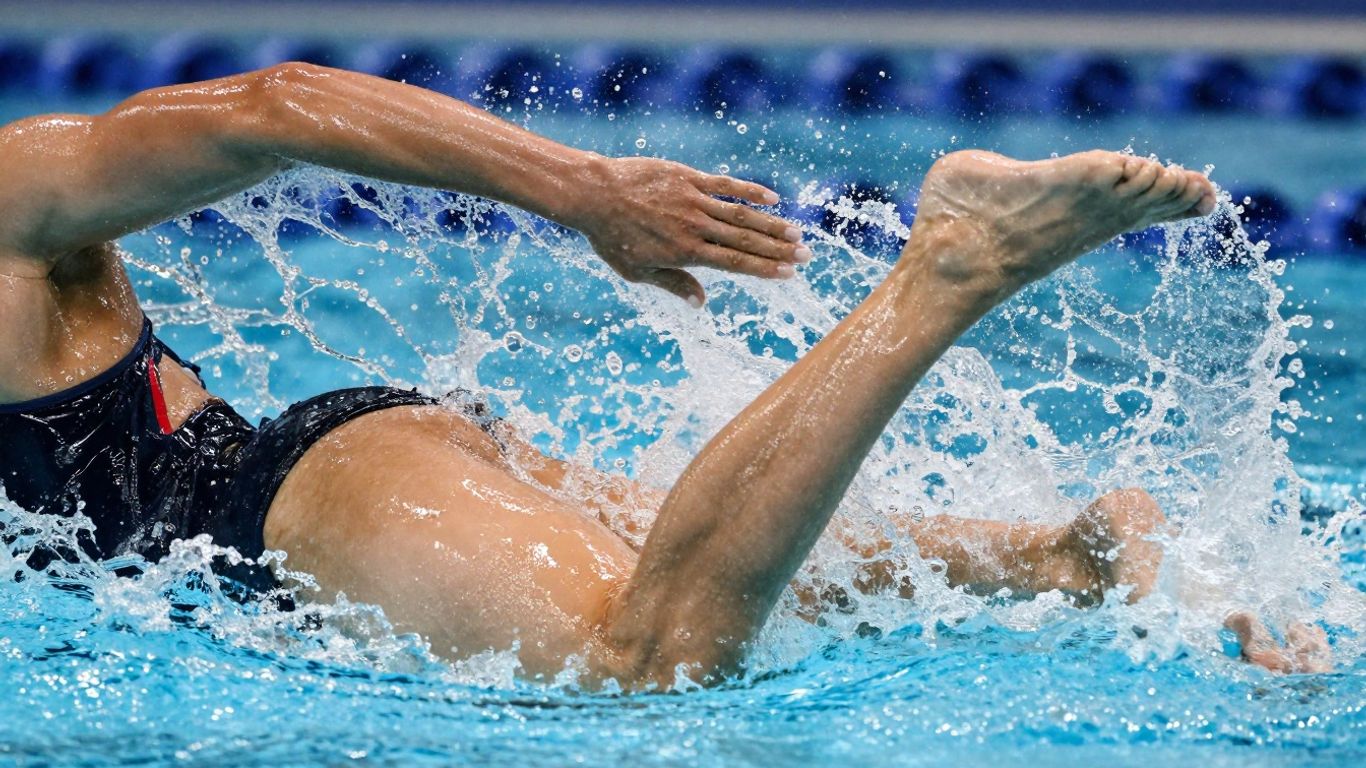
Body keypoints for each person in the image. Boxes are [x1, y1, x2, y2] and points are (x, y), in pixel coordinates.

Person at [0, 63, 1328, 688]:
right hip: (346, 489)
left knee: (637, 660)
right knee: (715, 560)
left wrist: (582, 189)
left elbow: (266, 108)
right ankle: (1066, 557)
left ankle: (952, 274)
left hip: (291, 509)